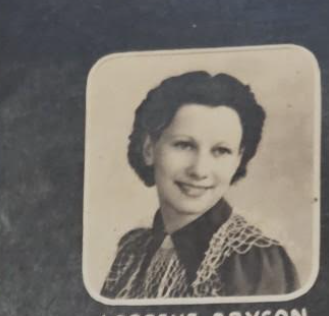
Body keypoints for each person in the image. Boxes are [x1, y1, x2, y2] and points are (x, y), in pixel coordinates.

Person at [100, 71, 298, 301]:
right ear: (149, 149)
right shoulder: (131, 252)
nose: (199, 170)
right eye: (184, 145)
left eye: (221, 151)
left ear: (238, 160)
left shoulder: (255, 261)